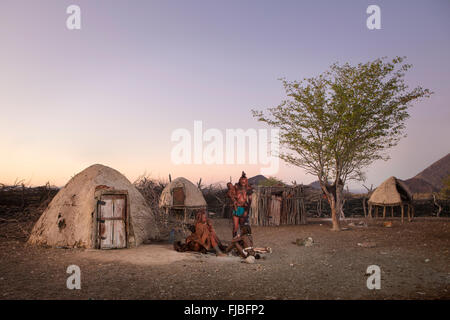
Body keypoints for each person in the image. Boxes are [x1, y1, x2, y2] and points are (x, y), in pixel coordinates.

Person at [230, 171, 253, 238]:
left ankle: (241, 240)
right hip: (236, 208)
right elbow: (231, 195)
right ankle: (234, 240)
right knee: (235, 227)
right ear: (240, 181)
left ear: (246, 181)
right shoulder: (236, 187)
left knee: (242, 226)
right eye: (242, 181)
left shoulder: (248, 188)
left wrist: (247, 210)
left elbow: (250, 199)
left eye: (244, 181)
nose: (243, 182)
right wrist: (234, 201)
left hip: (244, 208)